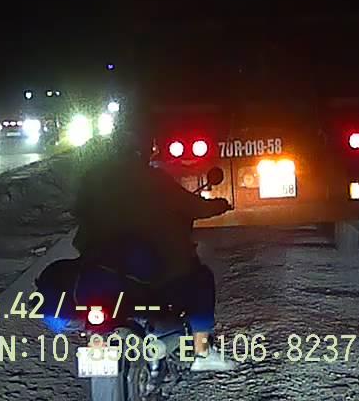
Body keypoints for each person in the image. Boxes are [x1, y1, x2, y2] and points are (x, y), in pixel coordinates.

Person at [68, 139, 236, 371]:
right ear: (143, 154)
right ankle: (202, 352)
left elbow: (76, 210)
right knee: (202, 279)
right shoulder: (156, 181)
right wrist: (220, 205)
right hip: (155, 271)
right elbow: (194, 206)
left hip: (99, 267)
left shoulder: (93, 180)